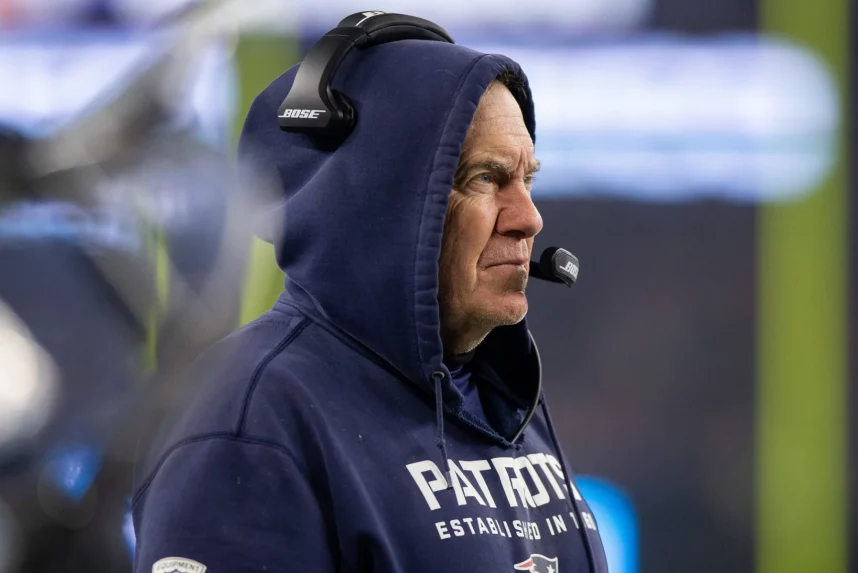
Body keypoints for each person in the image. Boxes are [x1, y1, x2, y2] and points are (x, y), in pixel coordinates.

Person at [131, 15, 609, 573]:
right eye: (485, 178)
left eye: (527, 180)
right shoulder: (247, 421)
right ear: (387, 202)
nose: (529, 219)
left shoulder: (503, 402)